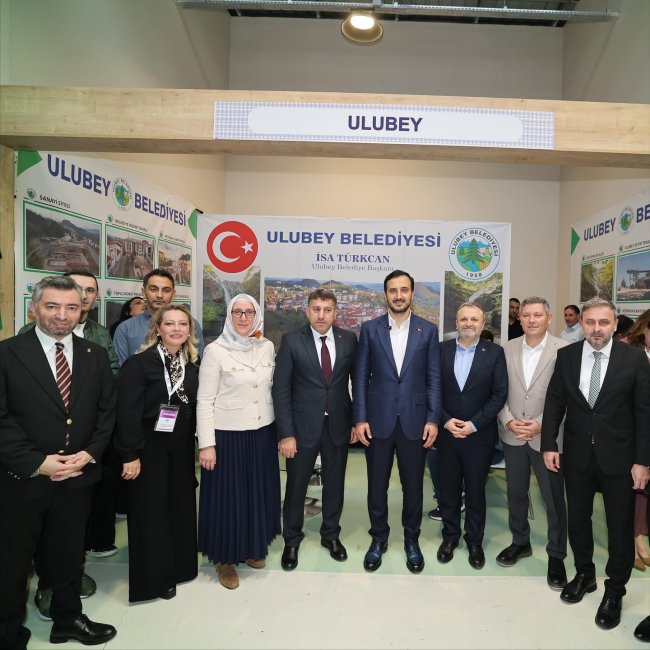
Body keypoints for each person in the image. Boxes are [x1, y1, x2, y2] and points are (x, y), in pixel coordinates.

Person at [0, 275, 117, 649]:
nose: (62, 315)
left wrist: (91, 452)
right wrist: (38, 462)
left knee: (68, 556)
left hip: (77, 477)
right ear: (34, 308)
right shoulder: (7, 354)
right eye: (52, 306)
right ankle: (7, 633)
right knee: (13, 563)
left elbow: (107, 411)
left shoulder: (94, 355)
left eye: (71, 307)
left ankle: (67, 620)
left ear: (82, 310)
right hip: (23, 479)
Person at [541, 298, 650, 631]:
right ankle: (585, 574)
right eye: (590, 322)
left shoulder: (634, 359)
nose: (597, 329)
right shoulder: (567, 356)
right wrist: (549, 444)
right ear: (582, 325)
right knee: (578, 520)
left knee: (619, 528)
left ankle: (615, 590)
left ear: (615, 324)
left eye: (604, 322)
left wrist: (642, 461)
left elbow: (644, 412)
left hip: (620, 459)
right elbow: (555, 401)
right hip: (577, 457)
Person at [353, 270, 441, 574]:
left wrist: (433, 419)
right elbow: (360, 377)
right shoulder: (370, 329)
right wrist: (360, 418)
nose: (399, 295)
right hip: (377, 421)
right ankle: (378, 538)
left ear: (412, 293)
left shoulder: (428, 331)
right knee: (376, 486)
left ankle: (411, 540)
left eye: (404, 290)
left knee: (413, 487)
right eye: (393, 290)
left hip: (415, 422)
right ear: (386, 294)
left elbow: (433, 379)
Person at [115, 304, 200, 602]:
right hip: (148, 447)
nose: (177, 329)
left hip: (181, 448)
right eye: (170, 324)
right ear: (158, 329)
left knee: (180, 507)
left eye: (183, 324)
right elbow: (126, 412)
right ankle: (155, 580)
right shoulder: (139, 364)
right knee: (151, 512)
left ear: (189, 330)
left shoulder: (192, 365)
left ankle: (181, 569)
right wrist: (129, 454)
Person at [197, 294, 280, 589]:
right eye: (237, 312)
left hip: (262, 433)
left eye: (249, 312)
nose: (243, 318)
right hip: (227, 436)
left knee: (256, 493)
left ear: (256, 316)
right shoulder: (215, 351)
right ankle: (224, 558)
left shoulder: (266, 346)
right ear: (229, 317)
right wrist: (207, 444)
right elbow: (204, 401)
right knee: (228, 498)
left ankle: (252, 547)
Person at [273, 288, 358, 571]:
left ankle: (330, 535)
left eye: (327, 310)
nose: (321, 315)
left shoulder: (349, 340)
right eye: (316, 309)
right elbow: (281, 390)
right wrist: (286, 434)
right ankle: (292, 540)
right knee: (296, 486)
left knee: (335, 485)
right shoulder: (291, 340)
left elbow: (357, 383)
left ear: (336, 312)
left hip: (338, 426)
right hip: (301, 429)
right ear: (307, 311)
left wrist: (356, 421)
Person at [496, 297, 568, 589]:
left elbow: (568, 396)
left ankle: (556, 555)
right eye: (526, 315)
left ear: (549, 318)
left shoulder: (564, 350)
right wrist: (507, 420)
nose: (531, 320)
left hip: (548, 438)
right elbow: (497, 389)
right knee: (516, 493)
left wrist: (541, 423)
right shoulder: (507, 348)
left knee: (553, 499)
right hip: (513, 434)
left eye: (537, 315)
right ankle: (520, 541)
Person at [435, 302, 508, 570]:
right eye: (463, 319)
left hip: (479, 436)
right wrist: (445, 420)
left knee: (476, 491)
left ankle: (474, 541)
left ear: (482, 324)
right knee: (448, 490)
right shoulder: (440, 350)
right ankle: (450, 537)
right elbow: (431, 388)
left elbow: (499, 394)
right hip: (447, 434)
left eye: (474, 319)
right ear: (456, 323)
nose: (468, 323)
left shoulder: (495, 353)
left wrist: (474, 424)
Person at [113, 268, 204, 364]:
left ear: (173, 294)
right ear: (143, 292)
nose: (159, 295)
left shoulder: (191, 325)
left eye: (166, 290)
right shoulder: (126, 329)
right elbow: (121, 369)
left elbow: (199, 364)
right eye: (153, 289)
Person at [617, 309, 650, 572]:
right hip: (631, 431)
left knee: (645, 490)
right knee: (633, 488)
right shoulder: (626, 350)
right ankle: (633, 540)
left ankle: (640, 536)